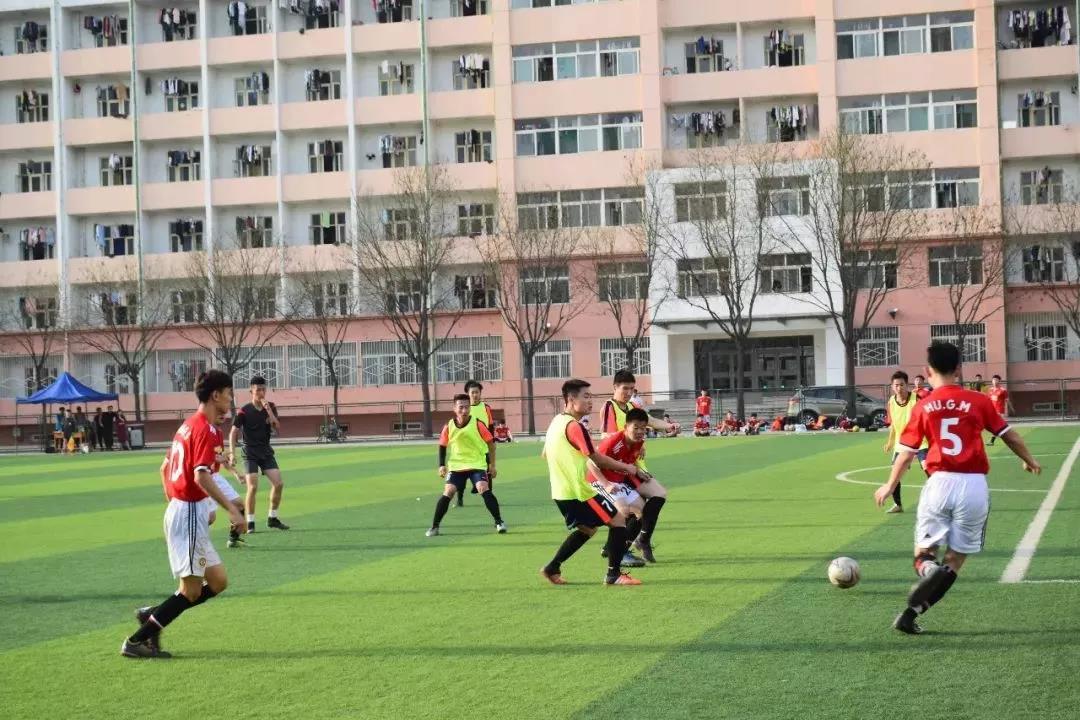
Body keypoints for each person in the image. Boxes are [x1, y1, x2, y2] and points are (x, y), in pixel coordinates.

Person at [874, 342, 1040, 635]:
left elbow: (907, 452)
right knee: (955, 560)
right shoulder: (978, 401)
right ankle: (911, 615)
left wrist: (890, 485)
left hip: (939, 483)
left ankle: (927, 570)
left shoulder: (923, 405)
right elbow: (1009, 435)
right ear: (959, 369)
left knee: (924, 552)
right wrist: (1029, 460)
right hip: (973, 487)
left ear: (928, 370)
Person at [122, 370, 243, 658]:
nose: (230, 400)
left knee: (217, 582)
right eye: (229, 394)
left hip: (187, 510)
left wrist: (183, 503)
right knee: (190, 591)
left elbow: (167, 468)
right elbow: (201, 476)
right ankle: (136, 641)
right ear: (215, 395)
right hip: (187, 512)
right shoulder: (206, 429)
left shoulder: (188, 425)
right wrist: (231, 509)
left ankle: (154, 614)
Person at [540, 379, 650, 586]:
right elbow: (597, 459)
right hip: (579, 492)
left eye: (591, 397)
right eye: (586, 397)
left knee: (588, 529)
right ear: (571, 399)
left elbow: (545, 453)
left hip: (560, 491)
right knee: (618, 519)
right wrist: (626, 467)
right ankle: (613, 575)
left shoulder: (557, 421)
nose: (590, 401)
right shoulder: (574, 427)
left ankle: (552, 568)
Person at [600, 370, 674, 567]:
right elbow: (607, 436)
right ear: (615, 387)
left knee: (652, 500)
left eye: (632, 389)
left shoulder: (633, 406)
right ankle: (631, 544)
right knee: (641, 506)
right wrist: (632, 439)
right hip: (619, 467)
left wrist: (669, 426)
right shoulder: (609, 406)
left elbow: (650, 421)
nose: (628, 393)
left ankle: (628, 543)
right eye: (625, 388)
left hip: (634, 465)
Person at [590, 408, 669, 564]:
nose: (640, 432)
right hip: (600, 480)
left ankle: (622, 548)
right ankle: (618, 553)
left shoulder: (638, 442)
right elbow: (591, 464)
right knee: (624, 512)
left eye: (643, 428)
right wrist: (606, 485)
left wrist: (638, 472)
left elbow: (628, 461)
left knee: (641, 511)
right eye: (636, 428)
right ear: (626, 427)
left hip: (619, 480)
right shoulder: (613, 441)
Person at [427, 394, 505, 537]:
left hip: (476, 464)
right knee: (449, 491)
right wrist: (441, 465)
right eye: (461, 407)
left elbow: (491, 444)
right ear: (454, 408)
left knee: (483, 487)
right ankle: (434, 527)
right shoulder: (449, 426)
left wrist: (492, 465)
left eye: (467, 407)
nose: (464, 410)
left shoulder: (478, 424)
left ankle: (499, 522)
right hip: (457, 466)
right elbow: (442, 445)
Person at [229, 376, 289, 533]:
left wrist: (268, 410)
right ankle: (250, 523)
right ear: (251, 391)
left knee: (278, 484)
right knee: (253, 486)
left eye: (263, 389)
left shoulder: (271, 407)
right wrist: (232, 453)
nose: (261, 393)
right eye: (258, 390)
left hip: (265, 451)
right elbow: (233, 432)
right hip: (250, 452)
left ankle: (272, 518)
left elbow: (277, 426)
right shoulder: (244, 410)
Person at [883, 371, 929, 514]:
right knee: (895, 473)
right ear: (892, 387)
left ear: (907, 385)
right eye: (896, 385)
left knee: (929, 469)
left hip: (921, 441)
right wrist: (890, 443)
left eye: (902, 385)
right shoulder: (891, 402)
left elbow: (927, 421)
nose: (899, 388)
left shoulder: (917, 399)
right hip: (902, 444)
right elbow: (893, 425)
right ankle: (898, 505)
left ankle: (940, 500)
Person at [457, 379, 495, 506]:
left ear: (480, 393)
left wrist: (492, 442)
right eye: (472, 392)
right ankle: (459, 498)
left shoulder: (486, 408)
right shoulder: (464, 409)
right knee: (462, 472)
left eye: (477, 392)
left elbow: (490, 426)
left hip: (483, 446)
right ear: (468, 394)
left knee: (488, 471)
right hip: (466, 447)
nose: (475, 395)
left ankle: (489, 498)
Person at [987, 375, 1013, 446]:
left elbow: (1007, 400)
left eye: (996, 380)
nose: (994, 381)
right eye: (993, 380)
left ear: (999, 381)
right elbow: (988, 400)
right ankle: (1009, 436)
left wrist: (1011, 408)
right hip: (992, 411)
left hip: (1000, 411)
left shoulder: (1003, 390)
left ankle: (992, 441)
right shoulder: (990, 390)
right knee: (998, 427)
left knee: (998, 426)